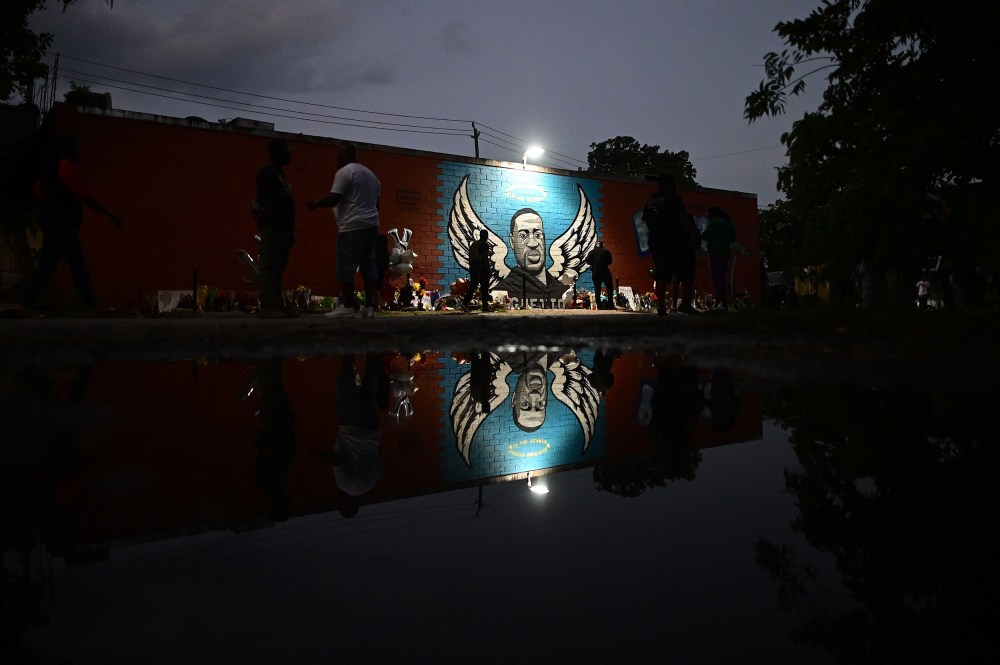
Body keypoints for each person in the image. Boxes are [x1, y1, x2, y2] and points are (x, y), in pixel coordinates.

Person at [20, 135, 123, 318]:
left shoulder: (51, 168)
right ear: (70, 149)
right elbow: (83, 196)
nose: (80, 149)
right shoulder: (65, 166)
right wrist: (110, 214)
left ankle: (93, 308)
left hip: (61, 224)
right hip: (62, 224)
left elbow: (36, 191)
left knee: (79, 268)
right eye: (77, 146)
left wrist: (50, 205)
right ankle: (26, 306)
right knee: (49, 265)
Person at [307, 141, 381, 319]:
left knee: (346, 265)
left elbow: (334, 198)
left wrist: (316, 203)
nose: (335, 157)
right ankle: (369, 307)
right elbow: (377, 204)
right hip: (371, 226)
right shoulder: (371, 175)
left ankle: (347, 306)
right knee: (368, 265)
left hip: (351, 226)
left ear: (348, 154)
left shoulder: (345, 172)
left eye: (337, 154)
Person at [253, 138, 298, 319]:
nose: (290, 155)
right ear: (277, 153)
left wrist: (290, 231)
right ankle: (268, 305)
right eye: (287, 151)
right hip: (273, 229)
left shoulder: (280, 174)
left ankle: (278, 305)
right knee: (269, 267)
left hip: (284, 230)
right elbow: (269, 203)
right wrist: (276, 228)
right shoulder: (267, 173)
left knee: (278, 270)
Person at [642, 174, 698, 315]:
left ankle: (661, 307)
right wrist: (691, 234)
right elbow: (683, 217)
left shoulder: (651, 199)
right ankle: (685, 304)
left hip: (655, 239)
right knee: (684, 270)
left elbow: (646, 219)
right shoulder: (673, 197)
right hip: (673, 239)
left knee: (661, 272)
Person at [496, 208, 571, 304]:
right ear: (512, 241)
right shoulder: (503, 291)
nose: (532, 243)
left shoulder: (561, 290)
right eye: (523, 235)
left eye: (537, 235)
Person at [702, 206, 735, 309]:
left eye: (708, 216)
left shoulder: (714, 223)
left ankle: (720, 303)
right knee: (722, 277)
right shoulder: (727, 224)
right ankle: (720, 303)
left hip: (716, 252)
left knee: (717, 278)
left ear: (713, 214)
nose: (708, 218)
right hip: (725, 253)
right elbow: (732, 239)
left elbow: (705, 235)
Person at [464, 228, 491, 312]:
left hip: (474, 267)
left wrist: (472, 267)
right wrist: (488, 269)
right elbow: (485, 258)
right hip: (481, 267)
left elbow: (470, 258)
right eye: (486, 235)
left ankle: (465, 304)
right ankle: (485, 307)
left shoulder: (474, 244)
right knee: (484, 288)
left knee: (473, 286)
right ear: (485, 236)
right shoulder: (484, 245)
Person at [586, 240, 614, 309]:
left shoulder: (591, 252)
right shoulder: (606, 251)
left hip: (595, 271)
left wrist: (594, 264)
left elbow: (588, 261)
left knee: (597, 288)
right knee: (609, 287)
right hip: (605, 270)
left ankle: (599, 305)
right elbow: (610, 261)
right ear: (602, 245)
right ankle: (610, 304)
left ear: (595, 245)